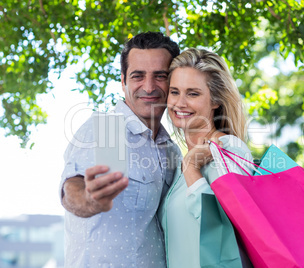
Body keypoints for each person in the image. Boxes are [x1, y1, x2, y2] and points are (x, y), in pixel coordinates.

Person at [60, 32, 181, 267]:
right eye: (138, 76)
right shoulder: (109, 130)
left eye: (160, 76)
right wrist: (89, 199)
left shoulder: (172, 150)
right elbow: (72, 187)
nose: (148, 86)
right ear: (124, 81)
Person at [158, 48, 254, 267]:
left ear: (215, 101)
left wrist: (192, 169)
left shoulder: (230, 149)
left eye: (193, 93)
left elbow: (222, 229)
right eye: (174, 92)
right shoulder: (179, 166)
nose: (180, 103)